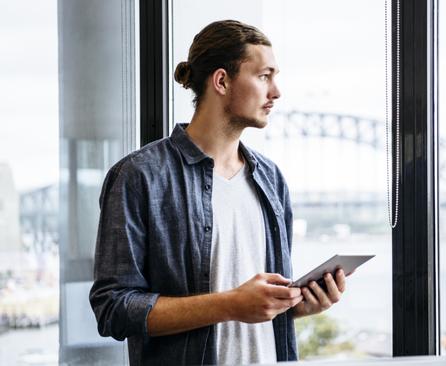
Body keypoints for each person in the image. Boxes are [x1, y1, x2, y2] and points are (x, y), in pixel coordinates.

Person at [89, 19, 347, 366]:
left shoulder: (271, 179)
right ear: (222, 81)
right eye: (263, 76)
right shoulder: (139, 176)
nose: (276, 92)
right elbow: (113, 309)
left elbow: (253, 311)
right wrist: (229, 304)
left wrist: (296, 305)